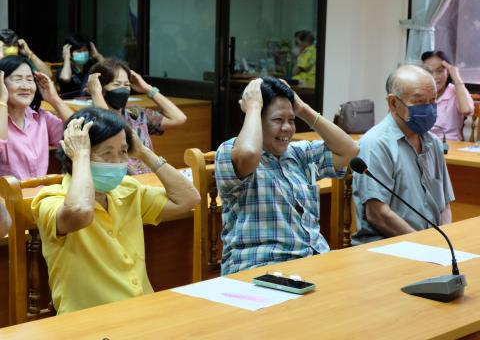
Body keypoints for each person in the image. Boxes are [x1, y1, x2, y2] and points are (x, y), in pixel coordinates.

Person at [31, 107, 200, 314]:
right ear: (76, 155)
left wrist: (143, 152)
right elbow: (81, 212)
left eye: (122, 152)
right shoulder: (49, 199)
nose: (118, 162)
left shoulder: (128, 190)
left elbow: (188, 199)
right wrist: (81, 155)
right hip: (88, 322)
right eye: (107, 153)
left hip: (143, 310)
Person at [215, 77, 359, 275]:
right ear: (256, 119)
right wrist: (254, 107)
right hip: (258, 269)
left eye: (291, 121)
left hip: (311, 264)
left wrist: (303, 109)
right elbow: (249, 154)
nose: (287, 128)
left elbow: (349, 150)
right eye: (277, 120)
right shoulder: (229, 151)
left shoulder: (298, 153)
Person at [352, 65, 454, 245]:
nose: (429, 109)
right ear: (393, 103)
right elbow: (378, 214)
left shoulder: (434, 143)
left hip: (431, 247)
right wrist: (424, 245)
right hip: (386, 246)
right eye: (420, 102)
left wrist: (444, 244)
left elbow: (444, 207)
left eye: (433, 101)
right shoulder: (376, 144)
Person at [87, 58, 187, 174]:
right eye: (117, 84)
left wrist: (147, 89)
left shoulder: (135, 114)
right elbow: (111, 126)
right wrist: (95, 93)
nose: (123, 89)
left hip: (149, 180)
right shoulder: (91, 119)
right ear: (101, 88)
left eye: (127, 84)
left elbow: (179, 118)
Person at [0, 56, 74, 179]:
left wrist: (54, 99)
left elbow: (80, 133)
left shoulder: (41, 118)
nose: (25, 86)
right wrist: (1, 101)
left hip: (39, 195)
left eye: (30, 80)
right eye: (17, 79)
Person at [421, 51, 474, 141]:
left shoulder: (455, 91)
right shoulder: (418, 92)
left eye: (440, 71)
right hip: (422, 147)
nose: (434, 77)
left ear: (448, 72)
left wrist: (455, 75)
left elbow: (466, 110)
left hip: (449, 148)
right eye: (428, 71)